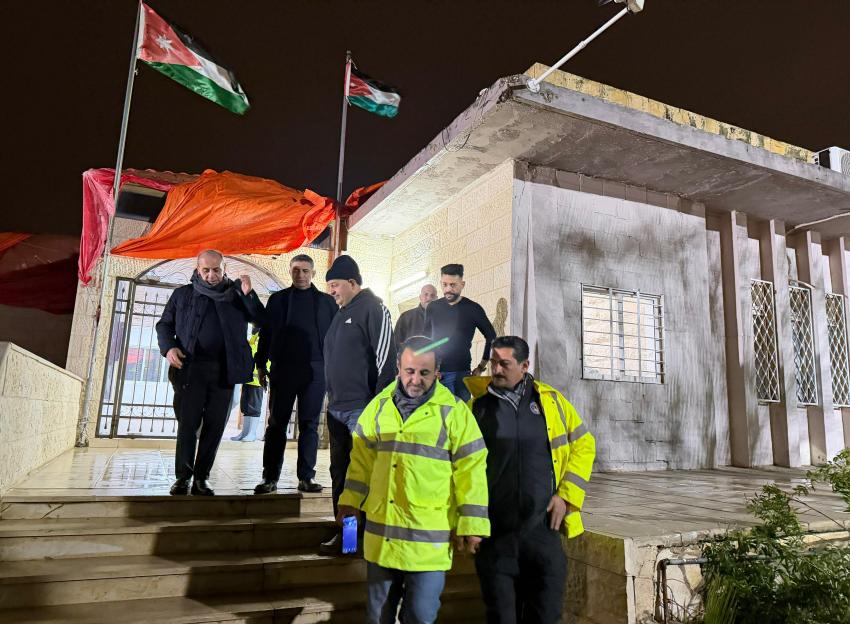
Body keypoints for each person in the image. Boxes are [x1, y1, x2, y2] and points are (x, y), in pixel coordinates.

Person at [338, 335, 490, 624]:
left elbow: (471, 470)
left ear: (438, 373)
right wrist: (349, 502)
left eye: (424, 372)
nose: (416, 379)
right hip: (382, 540)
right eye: (409, 371)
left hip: (428, 545)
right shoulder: (378, 408)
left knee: (420, 616)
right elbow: (360, 463)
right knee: (377, 617)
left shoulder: (455, 413)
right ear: (398, 368)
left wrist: (472, 525)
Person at [466, 336, 596, 624]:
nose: (496, 369)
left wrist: (567, 496)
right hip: (496, 539)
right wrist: (468, 522)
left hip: (543, 534)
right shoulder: (475, 408)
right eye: (493, 362)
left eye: (504, 364)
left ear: (524, 366)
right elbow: (462, 470)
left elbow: (584, 444)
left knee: (546, 616)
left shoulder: (551, 402)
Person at [156, 250, 265, 496]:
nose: (211, 275)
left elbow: (260, 320)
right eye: (205, 270)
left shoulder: (237, 295)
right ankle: (182, 478)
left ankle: (201, 479)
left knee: (215, 427)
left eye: (216, 270)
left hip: (225, 371)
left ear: (225, 269)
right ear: (197, 269)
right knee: (187, 424)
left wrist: (249, 294)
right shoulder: (182, 295)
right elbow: (164, 325)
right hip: (190, 369)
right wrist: (169, 347)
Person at [321, 254, 397, 553]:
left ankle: (363, 538)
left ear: (353, 283)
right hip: (337, 409)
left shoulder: (373, 308)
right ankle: (347, 537)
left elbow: (386, 359)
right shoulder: (340, 313)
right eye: (329, 285)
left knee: (361, 476)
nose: (332, 291)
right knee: (340, 473)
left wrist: (377, 407)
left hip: (362, 409)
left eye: (336, 285)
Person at [253, 254, 337, 494]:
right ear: (290, 272)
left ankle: (306, 477)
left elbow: (335, 338)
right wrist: (261, 364)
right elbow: (266, 334)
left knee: (310, 424)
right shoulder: (278, 300)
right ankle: (270, 478)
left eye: (305, 271)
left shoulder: (327, 303)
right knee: (276, 424)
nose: (301, 275)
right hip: (283, 369)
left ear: (313, 274)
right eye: (296, 270)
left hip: (316, 370)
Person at [425, 263, 496, 401]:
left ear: (462, 284)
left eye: (453, 285)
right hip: (437, 375)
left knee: (462, 413)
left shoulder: (473, 308)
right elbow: (425, 340)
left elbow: (491, 336)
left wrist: (481, 366)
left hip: (462, 375)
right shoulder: (433, 308)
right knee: (439, 414)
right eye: (445, 285)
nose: (448, 289)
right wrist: (429, 368)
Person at [230, 326, 267, 442]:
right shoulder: (254, 334)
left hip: (257, 378)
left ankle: (252, 433)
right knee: (246, 406)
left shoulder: (264, 334)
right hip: (248, 376)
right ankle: (245, 432)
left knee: (254, 406)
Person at [393, 283, 437, 350]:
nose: (429, 298)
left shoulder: (443, 318)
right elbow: (395, 344)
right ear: (420, 297)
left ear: (436, 298)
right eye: (426, 294)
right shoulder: (405, 318)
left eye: (432, 295)